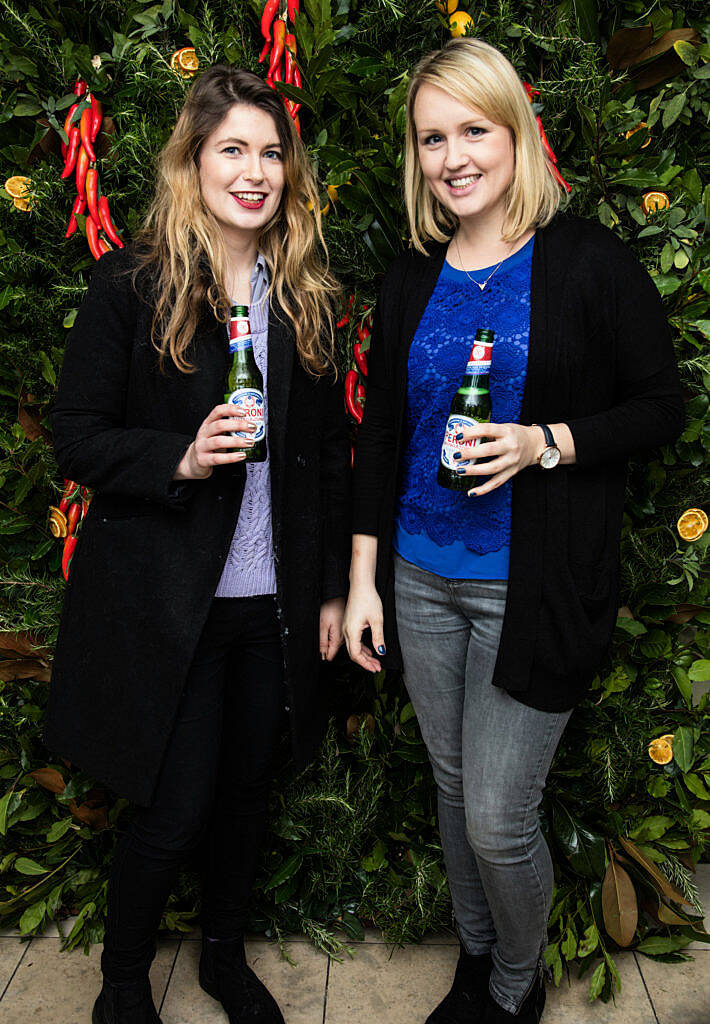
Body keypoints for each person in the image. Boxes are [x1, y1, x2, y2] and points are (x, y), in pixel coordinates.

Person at [343, 38, 683, 1024]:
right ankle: (476, 957)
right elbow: (379, 443)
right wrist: (363, 581)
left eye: (472, 130)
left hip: (528, 588)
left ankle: (509, 983)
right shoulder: (411, 275)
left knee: (497, 818)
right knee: (453, 795)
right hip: (417, 576)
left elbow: (658, 405)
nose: (453, 156)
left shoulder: (585, 262)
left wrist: (546, 442)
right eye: (431, 137)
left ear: (513, 132)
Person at [44, 66, 350, 1024]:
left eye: (271, 153)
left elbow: (329, 461)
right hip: (169, 604)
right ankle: (125, 977)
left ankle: (223, 959)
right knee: (173, 809)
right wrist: (178, 455)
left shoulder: (299, 293)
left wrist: (337, 590)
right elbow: (76, 432)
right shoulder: (133, 284)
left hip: (272, 605)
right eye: (234, 150)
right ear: (194, 161)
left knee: (245, 798)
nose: (255, 172)